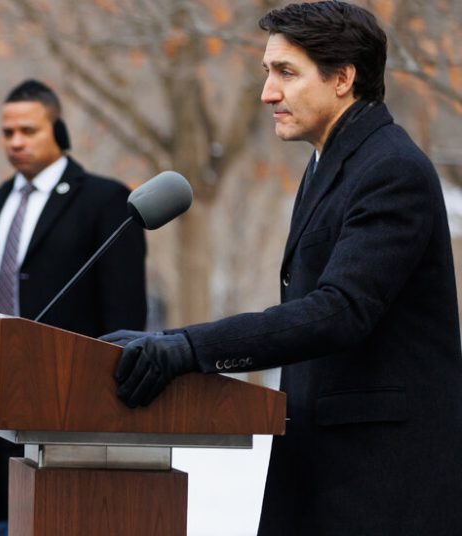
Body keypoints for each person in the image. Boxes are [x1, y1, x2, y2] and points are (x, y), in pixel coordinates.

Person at [104, 2, 462, 534]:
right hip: (324, 465)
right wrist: (172, 342)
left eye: (286, 73)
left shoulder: (391, 169)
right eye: (268, 73)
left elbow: (338, 312)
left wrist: (190, 347)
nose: (268, 92)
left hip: (382, 482)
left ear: (343, 78)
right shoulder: (333, 160)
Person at [0, 79, 148, 528]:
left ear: (58, 131)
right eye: (8, 133)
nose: (16, 142)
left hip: (72, 411)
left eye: (29, 130)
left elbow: (124, 312)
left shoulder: (105, 201)